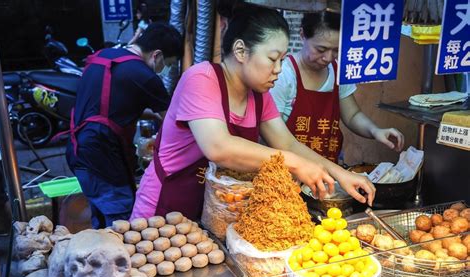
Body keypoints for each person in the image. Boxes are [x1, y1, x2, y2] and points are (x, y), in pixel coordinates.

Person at [131, 6, 375, 221]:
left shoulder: (259, 95)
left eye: (281, 59)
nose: (278, 69)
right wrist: (297, 164)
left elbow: (287, 142)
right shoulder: (201, 78)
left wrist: (341, 174)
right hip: (165, 206)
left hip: (216, 208)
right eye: (272, 59)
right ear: (240, 51)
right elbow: (219, 147)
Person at [62, 23, 182, 228]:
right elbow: (174, 122)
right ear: (157, 55)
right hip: (103, 158)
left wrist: (150, 116)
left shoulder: (104, 56)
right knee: (122, 222)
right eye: (168, 64)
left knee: (100, 218)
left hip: (78, 150)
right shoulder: (146, 76)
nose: (166, 70)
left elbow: (109, 107)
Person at [270, 11, 405, 164]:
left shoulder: (338, 71)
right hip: (288, 171)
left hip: (327, 168)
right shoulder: (283, 75)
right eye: (320, 50)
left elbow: (352, 115)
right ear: (302, 35)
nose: (328, 58)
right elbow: (275, 136)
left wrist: (375, 131)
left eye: (336, 50)